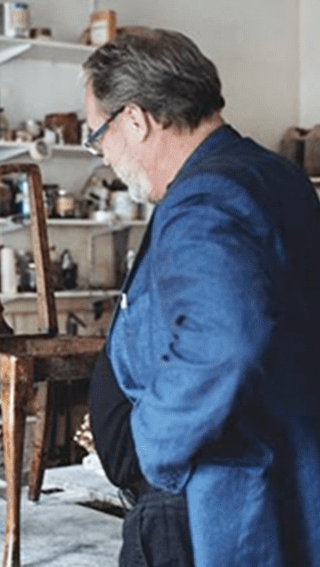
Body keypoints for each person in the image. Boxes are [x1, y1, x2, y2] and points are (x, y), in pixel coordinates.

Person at [82, 28, 320, 566]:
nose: (103, 157)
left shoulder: (206, 198)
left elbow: (225, 337)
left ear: (135, 120)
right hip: (279, 472)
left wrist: (152, 447)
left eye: (97, 137)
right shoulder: (274, 174)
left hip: (207, 499)